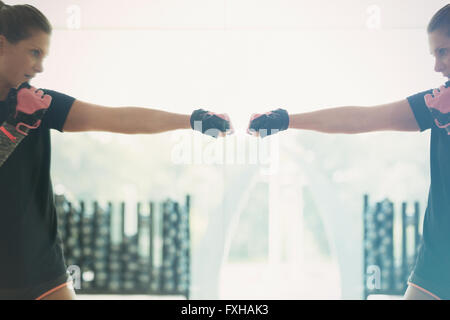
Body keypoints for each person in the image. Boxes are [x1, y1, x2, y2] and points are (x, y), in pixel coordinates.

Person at [0, 2, 232, 300]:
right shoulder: (26, 111)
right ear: (3, 44)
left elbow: (118, 118)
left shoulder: (40, 103)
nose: (41, 66)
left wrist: (190, 120)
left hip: (42, 273)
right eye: (34, 52)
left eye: (44, 56)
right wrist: (16, 125)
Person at [248, 4, 450, 300]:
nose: (436, 66)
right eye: (434, 54)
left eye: (443, 51)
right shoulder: (441, 104)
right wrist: (287, 119)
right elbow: (362, 119)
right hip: (438, 264)